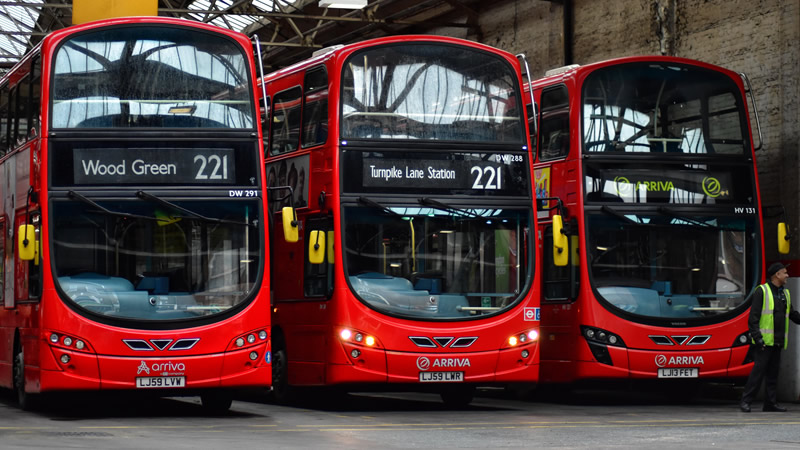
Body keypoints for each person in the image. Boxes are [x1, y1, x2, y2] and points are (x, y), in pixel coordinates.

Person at [739, 262, 800, 412]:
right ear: (776, 275)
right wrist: (758, 338)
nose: (787, 275)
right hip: (764, 342)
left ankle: (770, 404)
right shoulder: (762, 291)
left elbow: (791, 314)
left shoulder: (785, 293)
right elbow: (753, 319)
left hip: (778, 341)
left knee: (773, 374)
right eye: (785, 273)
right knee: (757, 373)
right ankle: (746, 401)